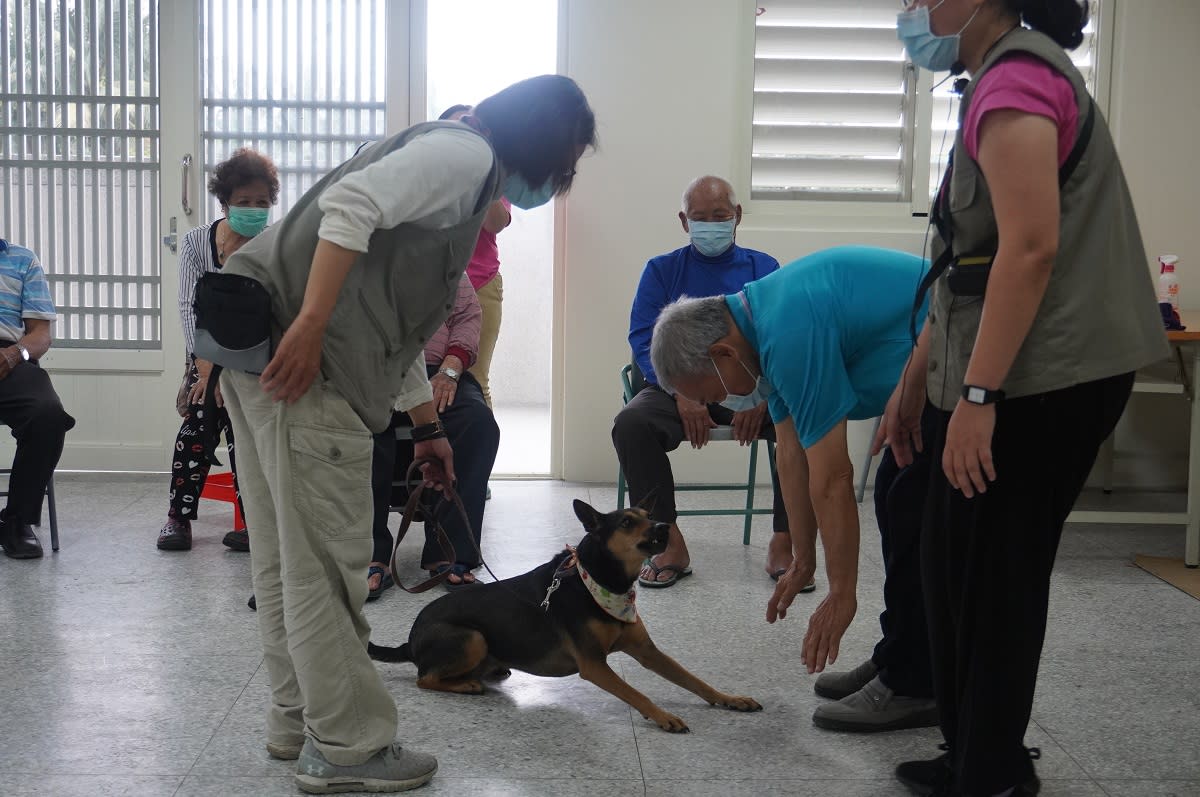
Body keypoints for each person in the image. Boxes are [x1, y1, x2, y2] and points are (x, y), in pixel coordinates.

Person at [214, 75, 595, 794]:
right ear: (547, 138)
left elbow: (392, 318)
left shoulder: (448, 166)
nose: (562, 179)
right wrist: (312, 323)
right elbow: (347, 209)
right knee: (326, 565)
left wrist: (426, 427)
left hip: (257, 351)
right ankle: (349, 747)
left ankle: (297, 721)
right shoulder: (464, 155)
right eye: (569, 158)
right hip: (304, 366)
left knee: (285, 557)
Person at [882, 1, 1167, 794]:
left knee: (995, 574)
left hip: (1044, 380)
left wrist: (976, 396)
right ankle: (971, 749)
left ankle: (994, 771)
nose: (911, 8)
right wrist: (917, 385)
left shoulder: (1016, 82)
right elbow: (968, 258)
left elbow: (1032, 248)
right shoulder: (993, 79)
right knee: (950, 561)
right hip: (1000, 369)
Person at [648, 245, 929, 689]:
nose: (717, 403)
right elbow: (791, 453)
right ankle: (902, 659)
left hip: (959, 357)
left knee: (912, 512)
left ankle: (913, 678)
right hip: (926, 379)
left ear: (722, 354)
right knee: (900, 505)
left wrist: (842, 593)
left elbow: (834, 477)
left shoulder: (788, 332)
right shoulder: (760, 327)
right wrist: (803, 557)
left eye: (709, 393)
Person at [612, 175, 798, 589]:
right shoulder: (661, 271)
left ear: (737, 217)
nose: (711, 224)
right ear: (684, 221)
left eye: (720, 216)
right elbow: (643, 338)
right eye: (700, 217)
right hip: (676, 390)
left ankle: (785, 540)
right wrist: (681, 393)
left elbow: (783, 341)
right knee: (631, 423)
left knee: (800, 421)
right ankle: (668, 542)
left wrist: (763, 398)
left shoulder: (764, 268)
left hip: (754, 390)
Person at [157, 148, 279, 552]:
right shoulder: (197, 243)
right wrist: (208, 370)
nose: (254, 210)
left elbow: (277, 310)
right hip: (206, 354)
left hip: (258, 356)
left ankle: (255, 522)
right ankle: (178, 517)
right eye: (244, 202)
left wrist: (238, 371)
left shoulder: (275, 244)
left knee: (249, 431)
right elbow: (188, 307)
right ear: (225, 202)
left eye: (262, 202)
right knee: (201, 414)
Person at [368, 274, 499, 596]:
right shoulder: (363, 259)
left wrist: (451, 370)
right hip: (371, 372)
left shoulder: (446, 261)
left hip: (439, 370)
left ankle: (450, 552)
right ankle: (368, 555)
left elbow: (468, 316)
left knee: (477, 423)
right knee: (362, 427)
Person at [0, 239, 75, 559]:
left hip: (8, 357)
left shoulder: (21, 260)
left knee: (47, 415)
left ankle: (16, 521)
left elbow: (40, 336)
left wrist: (15, 354)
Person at [439, 104, 512, 410]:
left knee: (474, 381)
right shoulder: (429, 173)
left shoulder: (494, 175)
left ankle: (478, 455)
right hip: (430, 286)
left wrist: (483, 174)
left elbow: (495, 222)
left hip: (480, 285)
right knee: (426, 380)